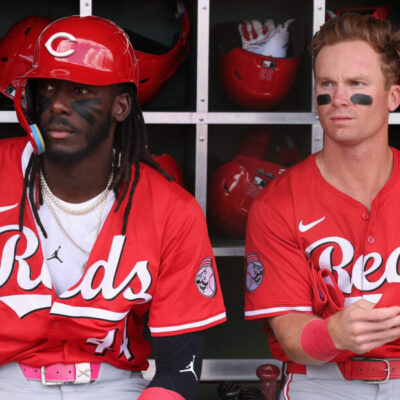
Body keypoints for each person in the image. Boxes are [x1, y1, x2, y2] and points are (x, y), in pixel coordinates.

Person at [0, 14, 226, 400]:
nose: (57, 105)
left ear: (120, 106)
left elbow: (179, 372)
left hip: (112, 385)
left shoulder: (171, 209)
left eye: (81, 92)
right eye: (49, 88)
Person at [244, 13, 400, 400]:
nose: (339, 98)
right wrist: (335, 333)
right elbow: (291, 332)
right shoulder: (278, 202)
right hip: (322, 381)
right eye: (327, 84)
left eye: (356, 83)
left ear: (393, 96)